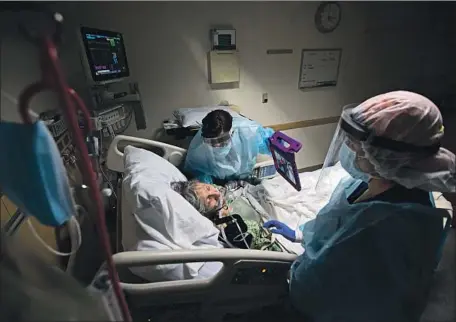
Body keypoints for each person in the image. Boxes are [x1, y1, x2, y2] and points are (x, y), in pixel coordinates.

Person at [264, 91, 454, 322]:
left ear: (388, 155)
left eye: (355, 144)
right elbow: (336, 223)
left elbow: (317, 290)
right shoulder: (369, 180)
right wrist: (300, 234)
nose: (348, 147)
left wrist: (293, 277)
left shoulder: (385, 222)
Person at [171, 179, 285, 251]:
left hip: (258, 201)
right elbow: (252, 238)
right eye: (209, 200)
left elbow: (236, 185)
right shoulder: (224, 225)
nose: (215, 193)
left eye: (208, 188)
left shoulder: (218, 190)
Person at [184, 109, 275, 184]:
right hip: (218, 183)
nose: (217, 145)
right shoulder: (198, 148)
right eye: (211, 141)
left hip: (245, 177)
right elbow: (197, 174)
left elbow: (271, 143)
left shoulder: (248, 131)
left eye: (221, 140)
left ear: (232, 131)